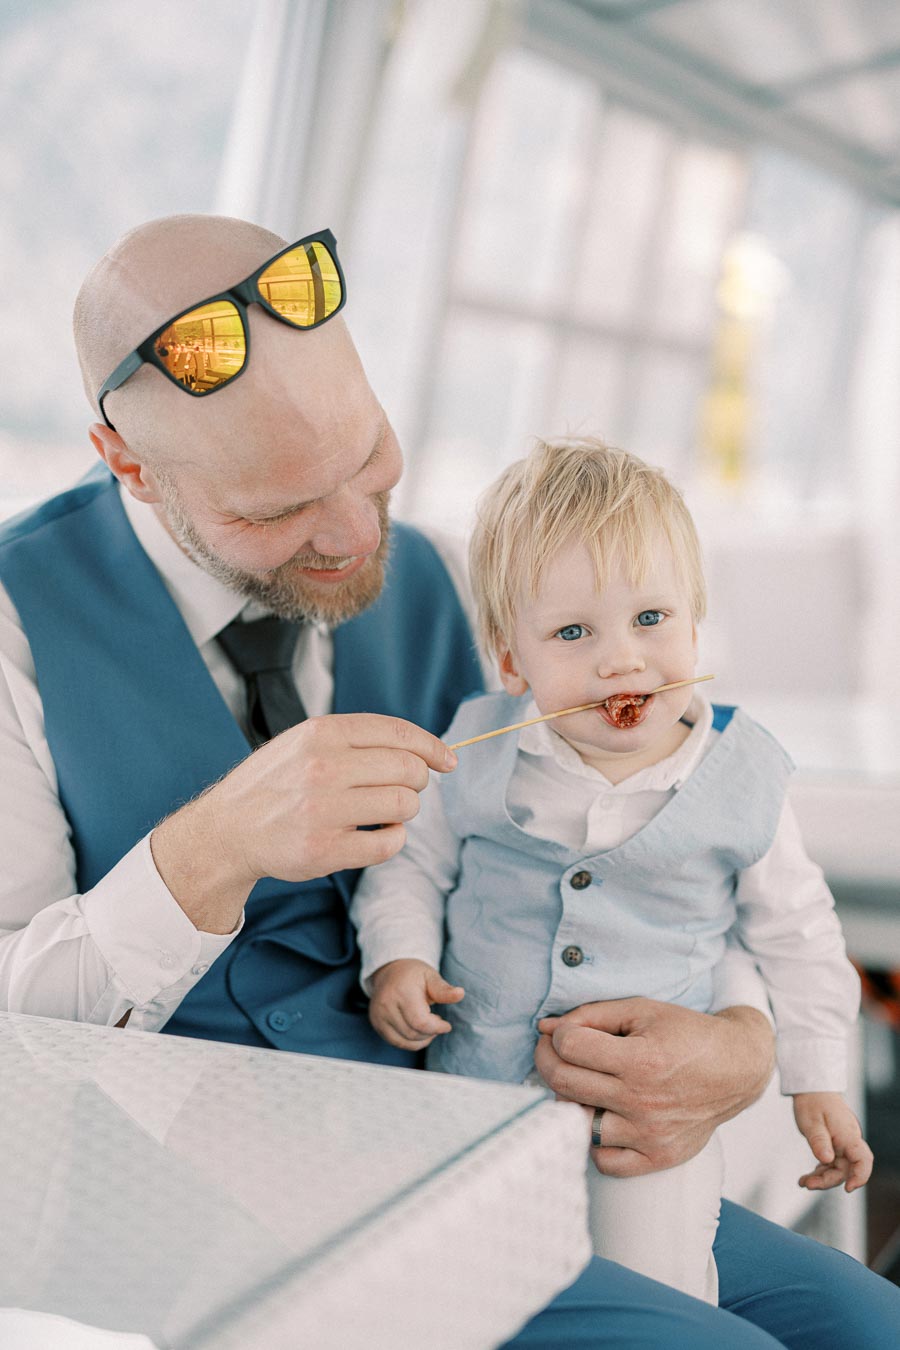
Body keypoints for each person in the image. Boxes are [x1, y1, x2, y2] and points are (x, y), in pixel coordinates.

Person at [0, 214, 896, 1347]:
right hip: (206, 1210)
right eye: (276, 510)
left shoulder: (427, 575)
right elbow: (12, 1036)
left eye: (370, 459)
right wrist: (211, 849)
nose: (348, 536)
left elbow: (614, 840)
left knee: (868, 1330)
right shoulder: (15, 627)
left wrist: (740, 1036)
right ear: (126, 461)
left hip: (471, 1139)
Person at [351, 437, 872, 1304]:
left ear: (696, 623)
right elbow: (410, 867)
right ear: (512, 658)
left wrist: (815, 1075)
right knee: (475, 1285)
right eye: (572, 633)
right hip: (481, 1098)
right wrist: (398, 958)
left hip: (646, 1123)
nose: (620, 660)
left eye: (651, 620)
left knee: (656, 1286)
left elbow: (799, 935)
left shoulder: (742, 777)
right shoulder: (475, 752)